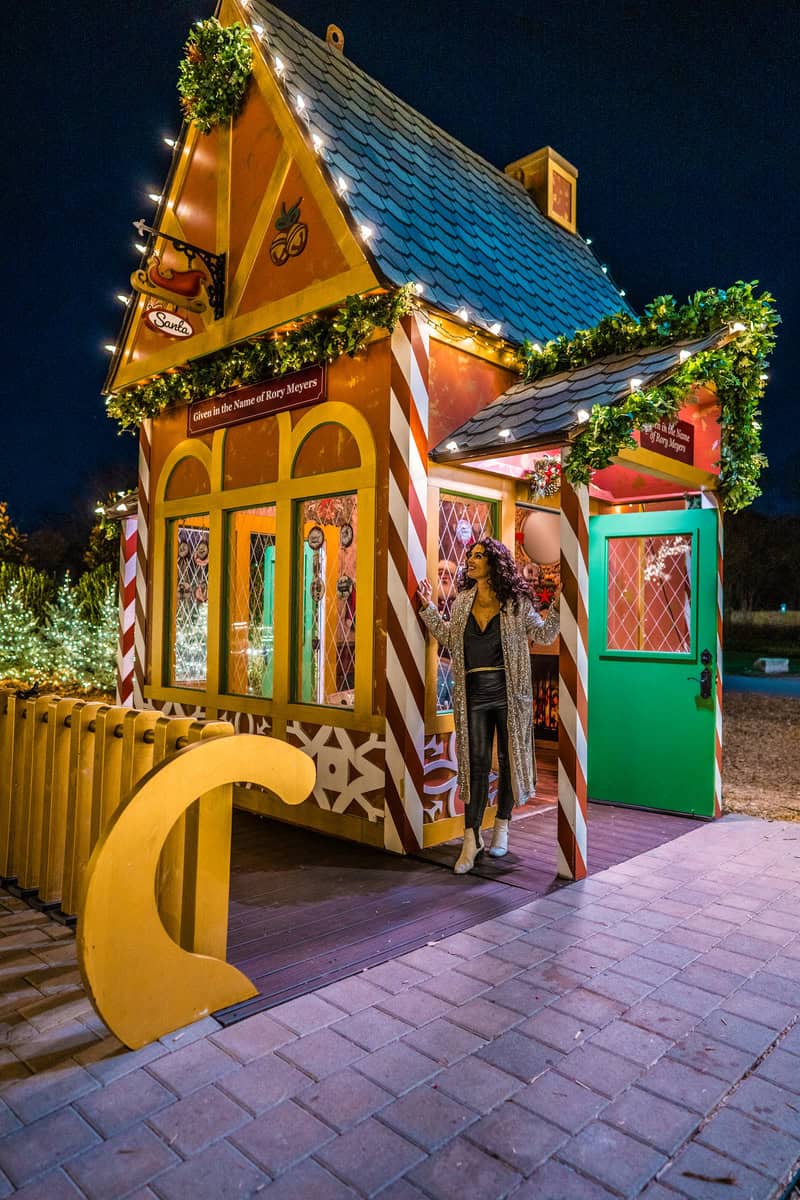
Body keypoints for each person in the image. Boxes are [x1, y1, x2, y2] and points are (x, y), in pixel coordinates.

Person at [417, 538, 560, 873]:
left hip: (510, 694)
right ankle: (471, 839)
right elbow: (450, 638)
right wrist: (426, 608)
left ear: (494, 563)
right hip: (474, 695)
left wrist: (558, 603)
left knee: (508, 761)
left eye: (478, 556)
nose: (470, 560)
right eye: (470, 555)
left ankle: (502, 827)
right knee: (476, 764)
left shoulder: (515, 603)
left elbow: (546, 635)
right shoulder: (464, 601)